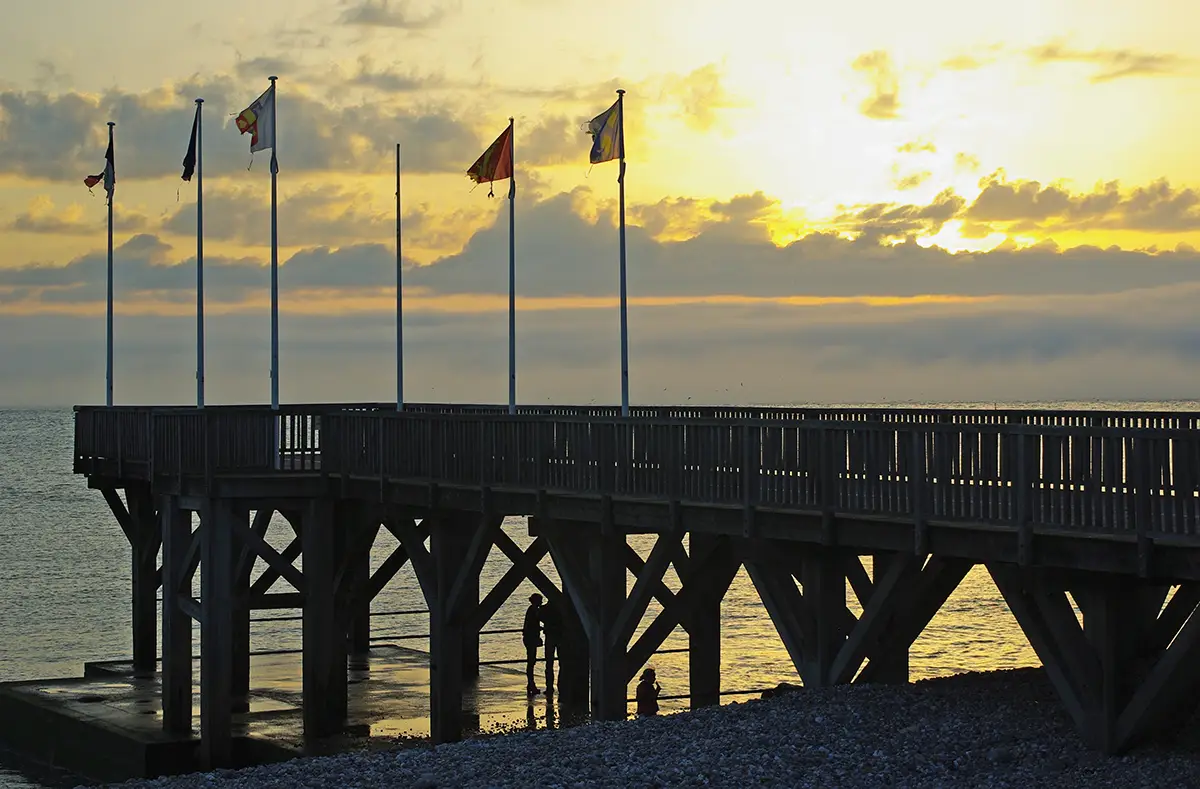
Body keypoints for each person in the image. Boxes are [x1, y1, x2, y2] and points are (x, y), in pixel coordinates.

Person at [523, 592, 543, 694]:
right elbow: (538, 620)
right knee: (531, 662)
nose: (542, 602)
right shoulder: (534, 610)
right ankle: (531, 684)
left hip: (528, 638)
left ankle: (530, 684)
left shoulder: (531, 609)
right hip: (531, 638)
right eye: (540, 600)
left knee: (530, 662)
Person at [540, 599, 562, 694]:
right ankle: (561, 685)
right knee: (562, 663)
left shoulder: (544, 609)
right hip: (560, 636)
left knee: (549, 663)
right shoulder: (560, 608)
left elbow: (540, 616)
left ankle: (549, 687)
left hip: (549, 637)